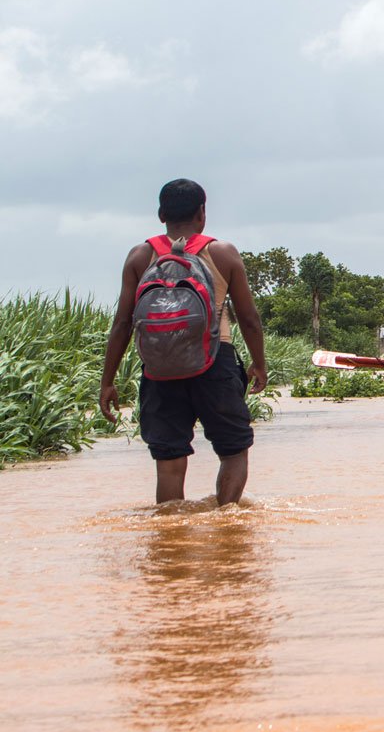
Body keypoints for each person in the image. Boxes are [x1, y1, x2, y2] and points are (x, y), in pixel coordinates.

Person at [99, 178, 268, 506]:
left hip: (160, 370)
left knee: (170, 463)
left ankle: (170, 539)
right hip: (215, 361)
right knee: (233, 451)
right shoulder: (221, 254)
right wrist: (259, 364)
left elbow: (121, 323)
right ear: (202, 213)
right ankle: (226, 528)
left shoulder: (140, 256)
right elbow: (249, 318)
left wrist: (107, 381)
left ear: (161, 214)